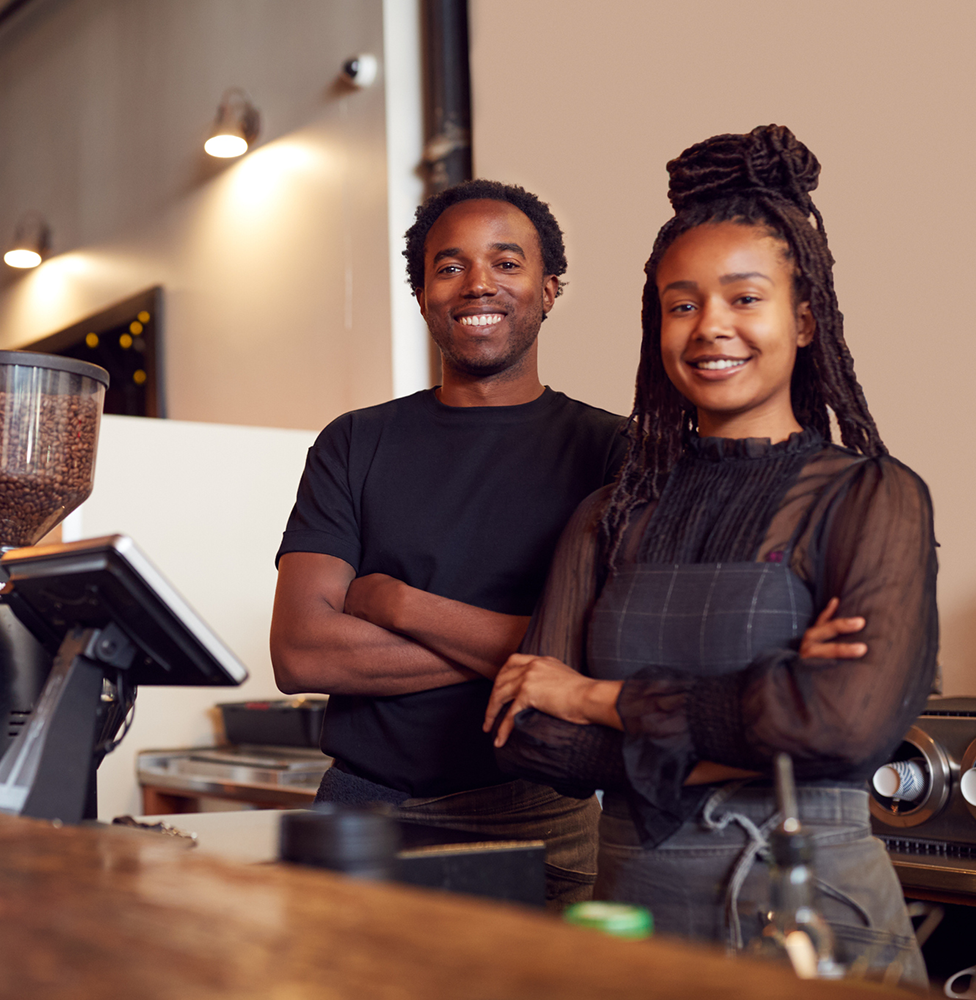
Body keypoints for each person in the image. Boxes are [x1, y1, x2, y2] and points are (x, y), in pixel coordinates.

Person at [484, 126, 936, 986]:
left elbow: (847, 729)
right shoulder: (607, 516)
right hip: (635, 915)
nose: (709, 328)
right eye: (681, 303)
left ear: (803, 318)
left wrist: (595, 697)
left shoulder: (873, 498)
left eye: (743, 299)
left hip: (816, 911)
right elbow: (533, 740)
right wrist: (771, 709)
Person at [271, 179, 628, 908]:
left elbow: (605, 656)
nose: (478, 285)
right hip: (363, 812)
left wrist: (397, 603)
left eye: (507, 261)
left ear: (549, 288)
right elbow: (302, 651)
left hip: (544, 820)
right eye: (450, 266)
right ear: (423, 293)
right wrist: (531, 649)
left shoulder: (614, 451)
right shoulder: (355, 442)